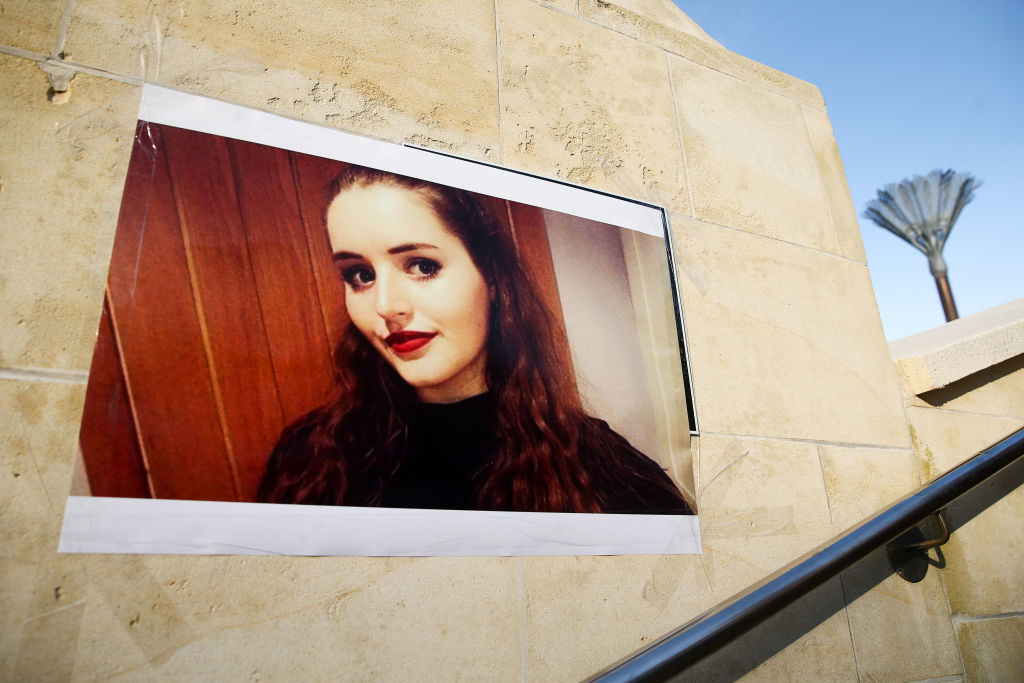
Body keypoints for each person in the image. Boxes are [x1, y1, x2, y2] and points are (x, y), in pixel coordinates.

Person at [257, 164, 694, 514]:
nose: (387, 306)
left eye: (422, 266)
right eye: (360, 275)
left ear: (491, 280)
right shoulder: (310, 460)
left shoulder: (595, 466)